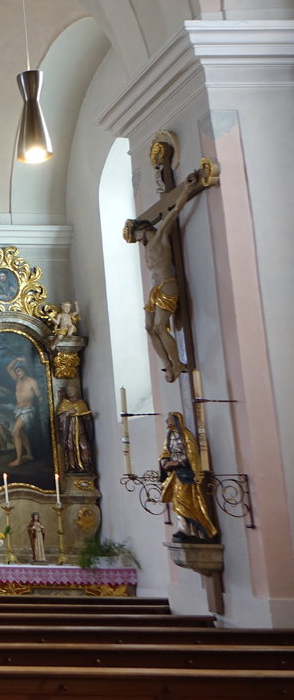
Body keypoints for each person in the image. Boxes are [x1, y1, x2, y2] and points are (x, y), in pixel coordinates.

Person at [123, 175, 200, 382]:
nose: (135, 239)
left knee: (159, 326)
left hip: (168, 284)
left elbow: (175, 211)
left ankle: (177, 363)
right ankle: (167, 364)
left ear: (142, 229)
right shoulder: (147, 247)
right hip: (156, 288)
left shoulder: (160, 237)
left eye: (134, 234)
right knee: (149, 328)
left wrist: (186, 190)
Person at [159, 412, 218, 541]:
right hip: (176, 474)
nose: (166, 421)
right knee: (177, 501)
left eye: (168, 419)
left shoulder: (186, 435)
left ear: (176, 420)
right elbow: (165, 453)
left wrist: (179, 462)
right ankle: (185, 530)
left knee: (183, 500)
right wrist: (165, 463)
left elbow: (192, 454)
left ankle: (193, 531)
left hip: (186, 474)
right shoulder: (169, 436)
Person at [5, 356, 40, 467]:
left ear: (25, 371)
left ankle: (19, 459)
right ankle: (29, 455)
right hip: (18, 410)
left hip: (28, 410)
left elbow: (39, 396)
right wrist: (16, 360)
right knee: (22, 433)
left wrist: (38, 408)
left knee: (15, 432)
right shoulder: (18, 381)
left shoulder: (32, 382)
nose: (17, 373)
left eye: (19, 371)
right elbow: (9, 369)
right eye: (17, 372)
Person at [56, 384, 94, 473]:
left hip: (80, 429)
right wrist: (67, 413)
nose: (69, 392)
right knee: (70, 447)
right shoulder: (64, 403)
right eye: (68, 390)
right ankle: (72, 467)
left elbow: (86, 417)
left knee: (84, 446)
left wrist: (87, 417)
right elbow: (59, 417)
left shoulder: (81, 403)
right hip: (69, 430)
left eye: (71, 390)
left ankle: (86, 466)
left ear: (76, 391)